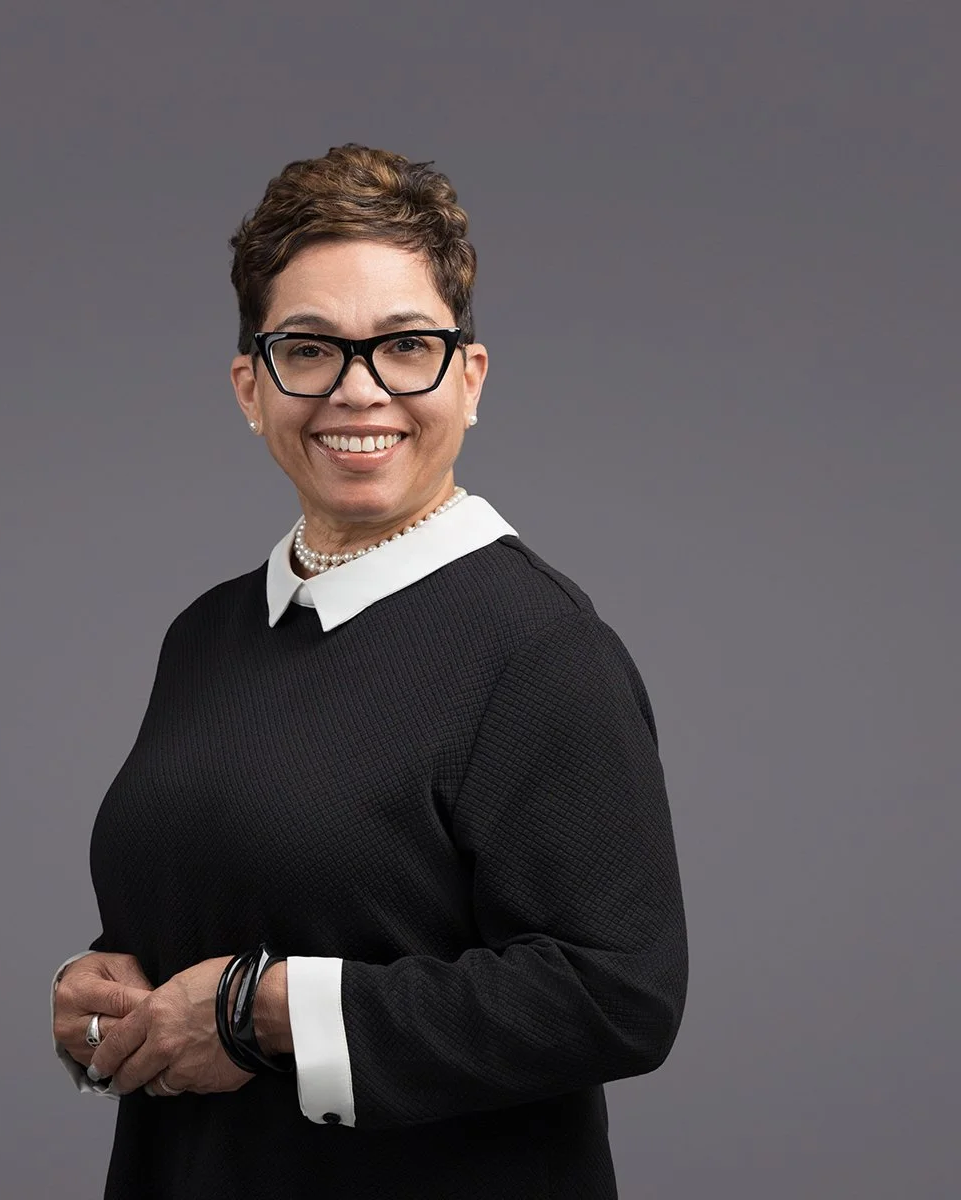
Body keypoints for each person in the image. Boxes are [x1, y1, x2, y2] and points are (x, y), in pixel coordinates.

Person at [50, 143, 688, 1199]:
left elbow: (617, 992)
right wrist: (102, 989)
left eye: (405, 347)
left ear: (469, 379)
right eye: (310, 349)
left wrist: (266, 1011)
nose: (360, 391)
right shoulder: (207, 634)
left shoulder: (539, 648)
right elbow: (244, 904)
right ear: (251, 388)